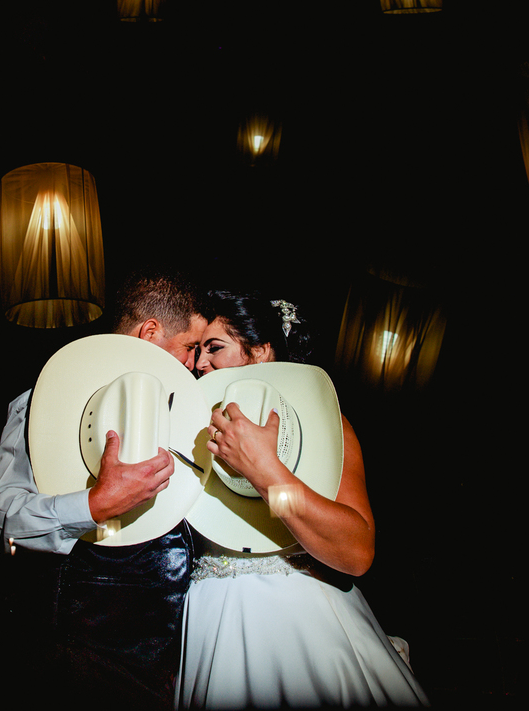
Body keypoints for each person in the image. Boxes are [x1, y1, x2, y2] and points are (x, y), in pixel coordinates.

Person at [0, 269, 210, 710]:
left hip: (170, 671)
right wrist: (92, 505)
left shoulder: (190, 419)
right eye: (190, 347)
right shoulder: (46, 400)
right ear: (150, 332)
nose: (196, 364)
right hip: (82, 664)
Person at [179, 289, 429, 708]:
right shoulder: (187, 427)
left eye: (215, 348)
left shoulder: (320, 420)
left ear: (259, 352)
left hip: (304, 620)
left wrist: (266, 475)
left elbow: (356, 552)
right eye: (197, 350)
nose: (200, 363)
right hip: (212, 623)